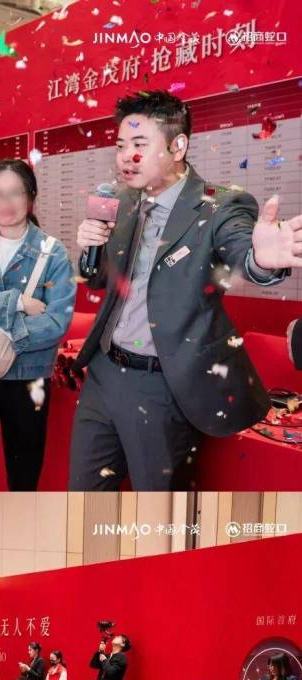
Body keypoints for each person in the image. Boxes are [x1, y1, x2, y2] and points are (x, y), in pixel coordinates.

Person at [70, 89, 300, 492]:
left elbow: (242, 250)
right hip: (103, 375)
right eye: (121, 145)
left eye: (139, 144)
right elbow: (102, 281)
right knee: (84, 500)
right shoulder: (121, 201)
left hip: (161, 385)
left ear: (177, 146)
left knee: (157, 512)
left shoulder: (219, 205)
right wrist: (90, 250)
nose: (125, 156)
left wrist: (262, 261)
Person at [0, 158, 75, 490]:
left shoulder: (53, 253)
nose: (5, 203)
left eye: (15, 193)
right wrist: (17, 303)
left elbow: (57, 320)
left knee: (24, 472)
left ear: (30, 196)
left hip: (28, 375)